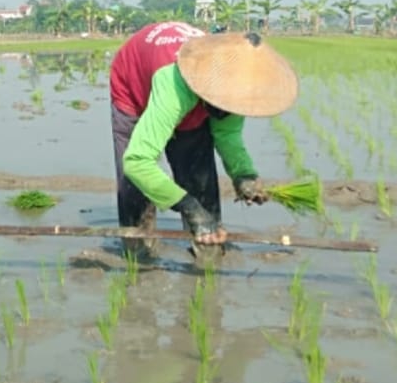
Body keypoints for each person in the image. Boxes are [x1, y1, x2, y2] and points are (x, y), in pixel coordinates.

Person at [109, 21, 299, 252]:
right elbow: (137, 162)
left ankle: (207, 248)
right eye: (223, 103)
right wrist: (188, 206)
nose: (228, 112)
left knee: (199, 177)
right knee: (136, 188)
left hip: (192, 94)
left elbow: (227, 133)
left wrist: (244, 174)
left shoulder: (236, 80)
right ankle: (137, 251)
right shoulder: (173, 83)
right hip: (133, 90)